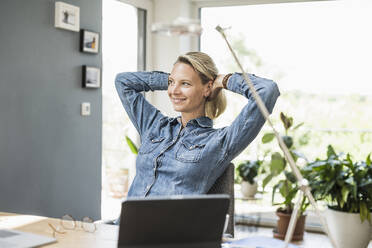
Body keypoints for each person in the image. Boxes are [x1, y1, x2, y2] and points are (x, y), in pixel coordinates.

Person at [115, 51, 280, 198]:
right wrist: (175, 78)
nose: (174, 91)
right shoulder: (154, 126)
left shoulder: (220, 142)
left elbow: (267, 90)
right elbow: (123, 82)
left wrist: (223, 80)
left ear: (207, 88)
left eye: (185, 84)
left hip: (167, 231)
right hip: (125, 226)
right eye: (172, 83)